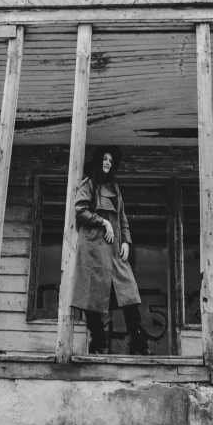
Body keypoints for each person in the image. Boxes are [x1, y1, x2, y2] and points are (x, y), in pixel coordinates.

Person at [71, 146, 151, 355]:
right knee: (91, 295)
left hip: (115, 249)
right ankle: (99, 341)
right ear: (98, 161)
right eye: (104, 159)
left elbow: (122, 217)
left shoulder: (115, 189)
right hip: (92, 248)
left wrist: (126, 241)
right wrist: (103, 222)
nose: (107, 162)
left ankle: (138, 341)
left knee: (129, 293)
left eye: (111, 160)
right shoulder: (88, 185)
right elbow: (80, 210)